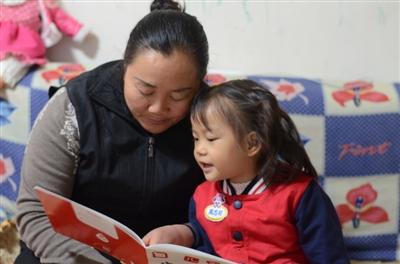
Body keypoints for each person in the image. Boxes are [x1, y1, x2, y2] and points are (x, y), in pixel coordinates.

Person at [15, 0, 208, 263]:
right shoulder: (75, 105)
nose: (157, 108)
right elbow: (36, 212)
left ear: (199, 85)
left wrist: (189, 233)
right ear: (124, 68)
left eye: (179, 95)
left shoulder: (216, 117)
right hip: (69, 252)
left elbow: (244, 205)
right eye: (145, 90)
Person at [144, 80, 350, 263]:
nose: (199, 149)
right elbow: (206, 241)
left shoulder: (300, 195)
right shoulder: (203, 196)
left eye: (211, 139)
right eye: (196, 138)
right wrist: (179, 233)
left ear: (252, 143)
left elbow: (328, 255)